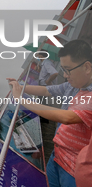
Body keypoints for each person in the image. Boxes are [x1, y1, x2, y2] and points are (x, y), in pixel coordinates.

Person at [7, 39, 92, 187]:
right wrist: (20, 86)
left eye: (67, 70)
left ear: (87, 67)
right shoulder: (73, 86)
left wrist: (21, 99)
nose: (65, 75)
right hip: (57, 155)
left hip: (74, 167)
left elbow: (67, 117)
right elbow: (46, 90)